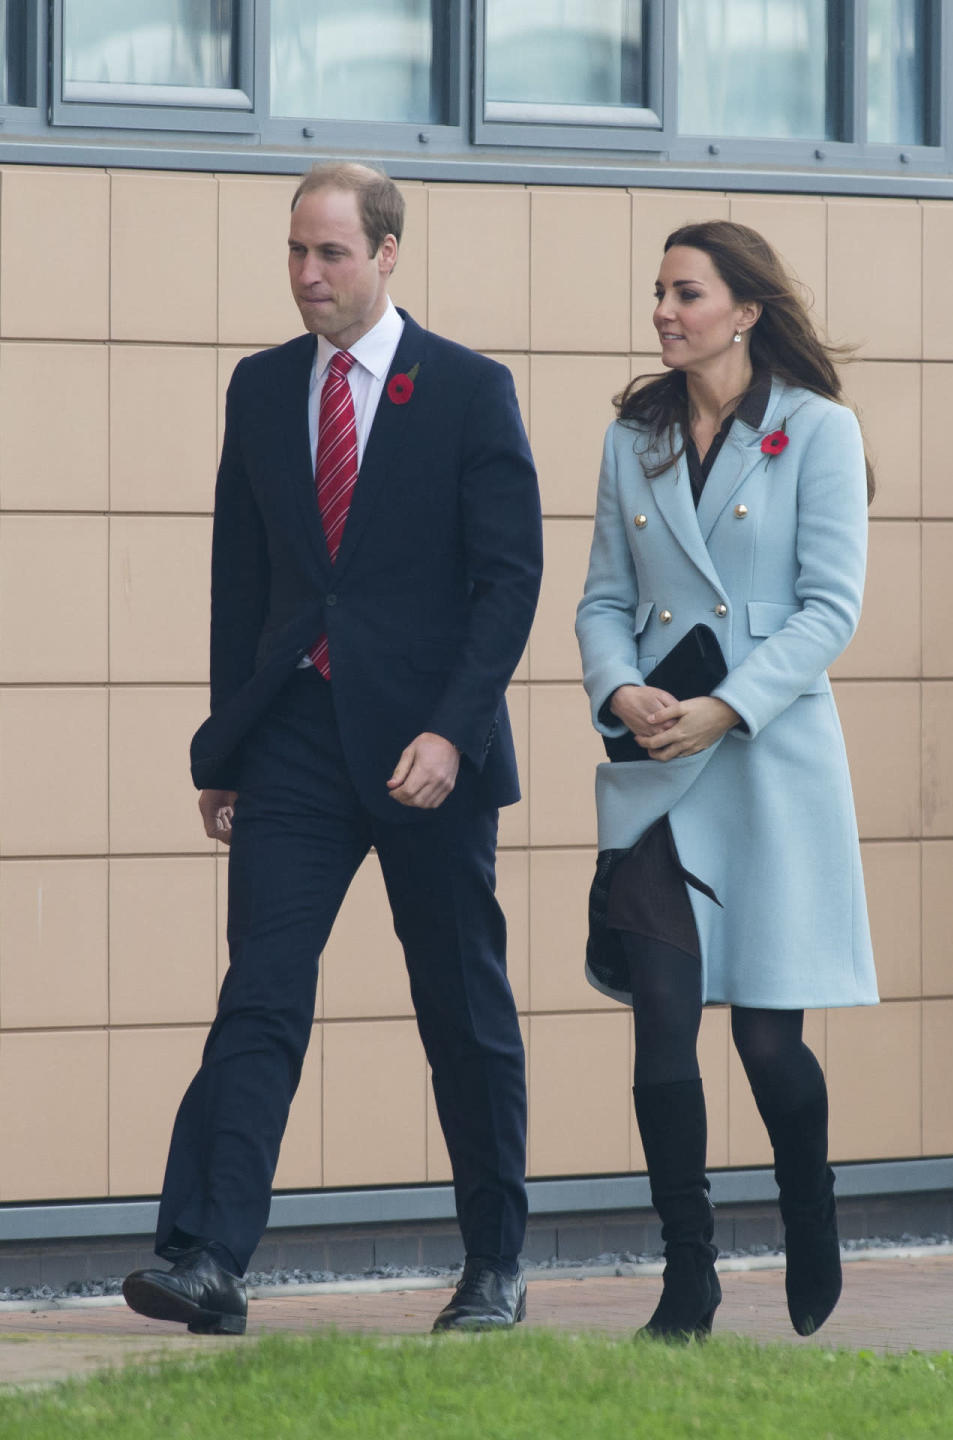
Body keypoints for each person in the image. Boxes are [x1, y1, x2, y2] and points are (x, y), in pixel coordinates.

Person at [123, 162, 542, 1336]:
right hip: (296, 741)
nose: (310, 275)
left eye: (333, 255)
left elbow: (509, 581)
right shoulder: (261, 390)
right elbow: (240, 581)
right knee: (259, 992)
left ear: (389, 252)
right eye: (298, 254)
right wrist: (225, 744)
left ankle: (495, 1266)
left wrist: (453, 731)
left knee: (460, 1005)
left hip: (427, 749)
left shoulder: (465, 389)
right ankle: (207, 1258)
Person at [575, 220, 878, 1342]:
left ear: (744, 309)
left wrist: (727, 702)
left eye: (685, 292)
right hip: (660, 771)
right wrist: (620, 691)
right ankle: (687, 1276)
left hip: (767, 763)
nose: (664, 310)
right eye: (656, 290)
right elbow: (603, 597)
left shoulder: (819, 431)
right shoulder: (634, 437)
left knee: (765, 1043)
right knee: (661, 1028)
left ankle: (810, 1207)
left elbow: (829, 608)